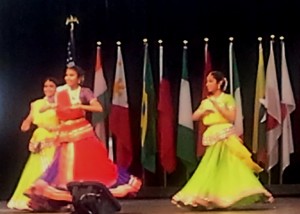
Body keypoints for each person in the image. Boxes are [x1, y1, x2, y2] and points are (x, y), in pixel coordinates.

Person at [25, 65, 141, 211]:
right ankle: (70, 200)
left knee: (86, 166)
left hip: (82, 132)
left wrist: (81, 106)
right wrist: (49, 107)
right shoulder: (61, 91)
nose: (68, 78)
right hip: (66, 133)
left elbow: (98, 108)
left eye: (72, 75)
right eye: (67, 75)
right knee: (65, 167)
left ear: (80, 79)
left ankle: (85, 198)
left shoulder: (84, 92)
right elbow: (53, 105)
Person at [172, 71, 273, 210]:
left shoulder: (227, 98)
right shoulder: (206, 101)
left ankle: (246, 193)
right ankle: (209, 197)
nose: (207, 84)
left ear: (219, 83)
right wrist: (203, 112)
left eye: (211, 81)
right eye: (207, 81)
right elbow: (194, 116)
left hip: (226, 136)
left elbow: (231, 117)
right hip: (213, 137)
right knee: (211, 167)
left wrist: (217, 106)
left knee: (232, 165)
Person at [7, 77, 59, 210]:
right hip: (39, 141)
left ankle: (52, 200)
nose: (48, 89)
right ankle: (31, 199)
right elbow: (30, 118)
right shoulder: (36, 104)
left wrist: (55, 129)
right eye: (45, 86)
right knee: (36, 168)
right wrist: (26, 123)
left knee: (52, 169)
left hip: (55, 139)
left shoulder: (61, 103)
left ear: (56, 88)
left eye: (51, 86)